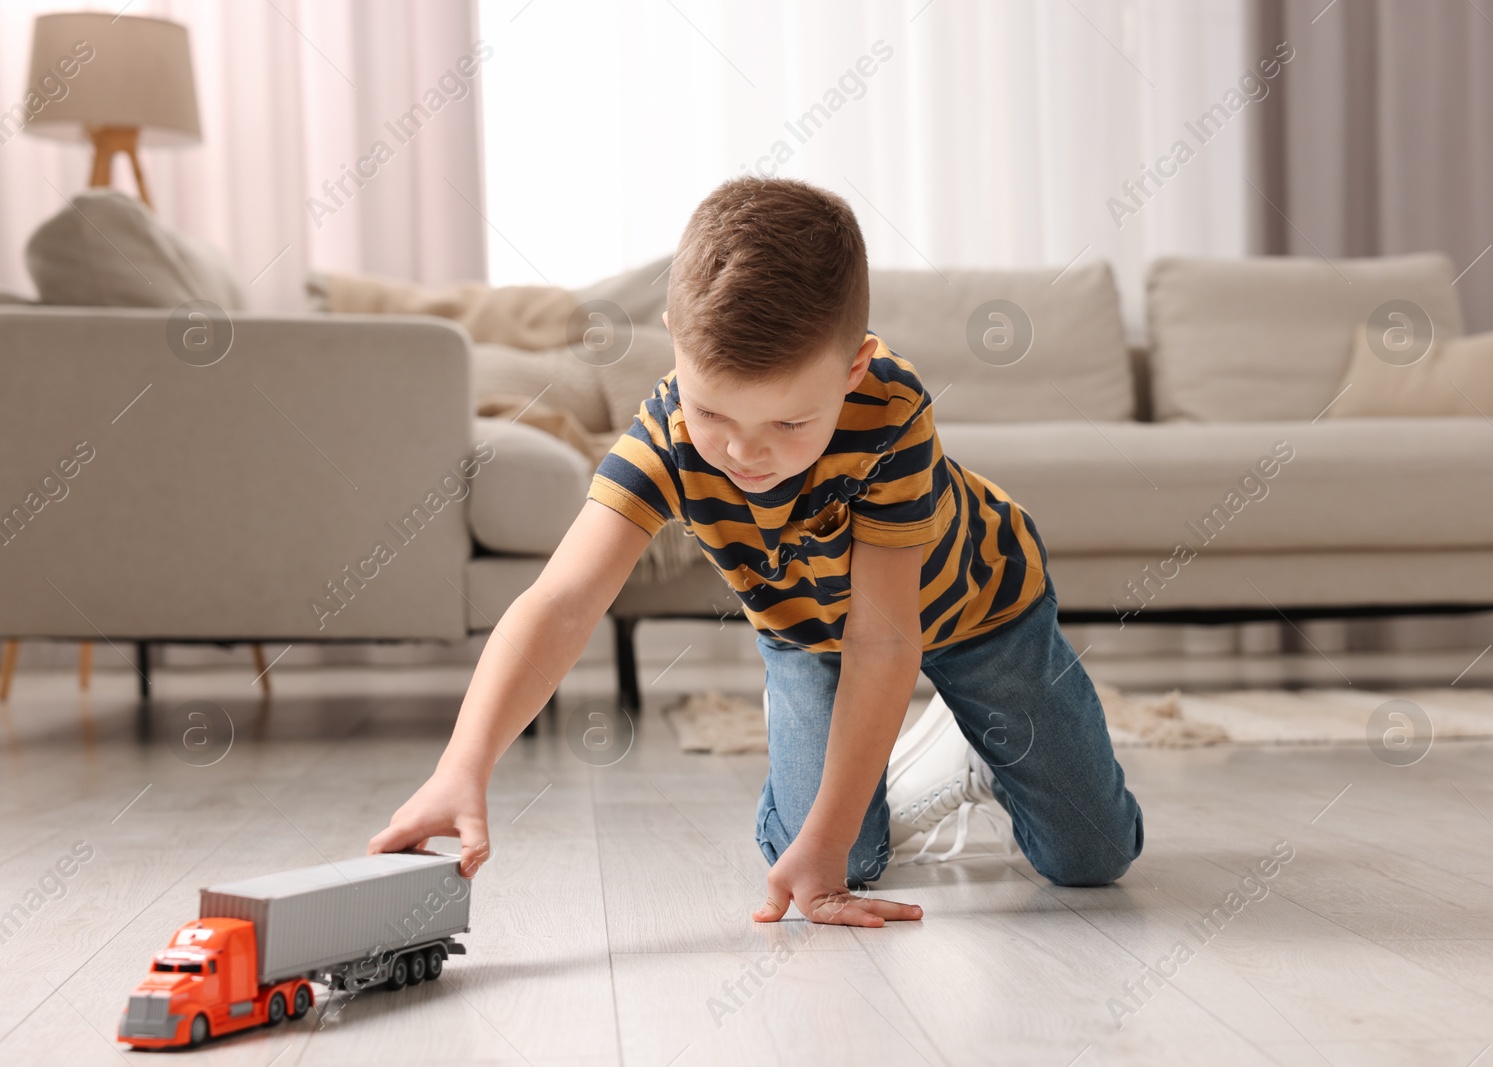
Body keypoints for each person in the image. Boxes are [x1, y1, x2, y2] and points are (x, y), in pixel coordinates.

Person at [369, 177, 1144, 928]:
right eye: (714, 412)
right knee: (832, 861)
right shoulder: (666, 436)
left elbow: (885, 636)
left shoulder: (892, 410)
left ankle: (975, 746)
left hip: (981, 608)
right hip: (813, 636)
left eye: (792, 425)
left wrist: (829, 836)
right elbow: (562, 601)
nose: (745, 451)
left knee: (1093, 855)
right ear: (676, 345)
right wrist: (461, 765)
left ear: (854, 369)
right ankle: (906, 761)